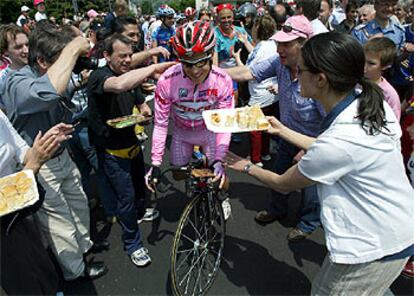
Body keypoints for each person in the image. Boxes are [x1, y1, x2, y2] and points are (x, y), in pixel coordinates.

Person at [225, 32, 414, 294]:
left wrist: (244, 166)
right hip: (395, 227)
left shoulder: (340, 140)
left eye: (300, 71)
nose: (294, 75)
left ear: (321, 79)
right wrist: (282, 130)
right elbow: (341, 152)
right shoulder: (366, 102)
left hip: (376, 245)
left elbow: (283, 183)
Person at [2, 23, 107, 281]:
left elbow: (59, 90)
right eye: (63, 60)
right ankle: (76, 273)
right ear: (42, 61)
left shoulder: (46, 73)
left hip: (62, 154)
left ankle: (85, 249)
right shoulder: (15, 81)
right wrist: (73, 47)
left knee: (79, 205)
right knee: (59, 223)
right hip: (40, 164)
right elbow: (46, 92)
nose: (68, 66)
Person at [224, 15, 324, 241]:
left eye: (287, 44)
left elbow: (330, 122)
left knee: (310, 189)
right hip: (285, 133)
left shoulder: (316, 76)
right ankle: (277, 209)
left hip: (312, 141)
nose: (280, 49)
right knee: (278, 174)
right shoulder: (280, 63)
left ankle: (307, 223)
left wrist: (308, 149)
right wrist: (208, 71)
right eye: (279, 43)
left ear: (304, 44)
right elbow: (246, 73)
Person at [87, 33, 175, 267]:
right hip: (111, 151)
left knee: (138, 190)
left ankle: (139, 213)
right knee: (124, 198)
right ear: (106, 55)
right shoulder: (99, 77)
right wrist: (154, 66)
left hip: (132, 144)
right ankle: (133, 243)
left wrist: (144, 111)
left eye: (129, 55)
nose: (127, 60)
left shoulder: (129, 75)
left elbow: (139, 102)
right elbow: (119, 86)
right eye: (121, 56)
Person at [145, 20, 234, 219]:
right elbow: (160, 124)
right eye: (187, 63)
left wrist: (219, 158)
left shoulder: (222, 80)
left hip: (210, 131)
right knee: (178, 171)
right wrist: (156, 163)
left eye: (201, 62)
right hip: (182, 133)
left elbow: (225, 123)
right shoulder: (168, 80)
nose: (194, 71)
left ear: (211, 56)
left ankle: (223, 196)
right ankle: (196, 184)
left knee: (218, 175)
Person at [0, 114, 73, 294]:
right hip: (6, 217)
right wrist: (32, 167)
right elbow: (30, 163)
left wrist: (45, 144)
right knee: (23, 280)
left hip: (17, 210)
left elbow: (22, 152)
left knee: (41, 268)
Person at [233, 15, 279, 166]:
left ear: (258, 29)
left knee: (254, 128)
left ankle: (255, 159)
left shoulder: (262, 48)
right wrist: (246, 42)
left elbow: (249, 72)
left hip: (260, 94)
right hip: (272, 94)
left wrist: (237, 58)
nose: (251, 29)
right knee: (265, 125)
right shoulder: (271, 44)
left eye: (253, 27)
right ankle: (264, 154)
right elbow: (257, 56)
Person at [363, 37, 401, 120]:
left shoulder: (389, 95)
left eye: (371, 63)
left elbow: (393, 127)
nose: (364, 67)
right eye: (362, 60)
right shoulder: (351, 81)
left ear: (386, 66)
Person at [0, 25, 29, 110]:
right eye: (18, 47)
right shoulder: (2, 80)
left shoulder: (40, 70)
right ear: (5, 51)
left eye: (27, 45)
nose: (26, 50)